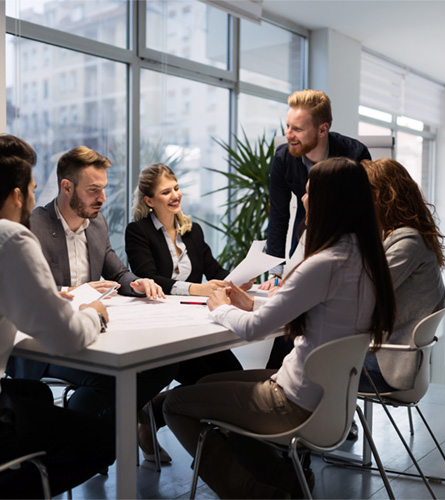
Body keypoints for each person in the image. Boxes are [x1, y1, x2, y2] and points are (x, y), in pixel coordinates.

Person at [162, 157, 396, 499]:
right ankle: (285, 482)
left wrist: (222, 309)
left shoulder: (322, 264)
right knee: (209, 384)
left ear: (327, 202)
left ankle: (254, 494)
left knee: (176, 404)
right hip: (327, 401)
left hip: (291, 402)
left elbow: (255, 330)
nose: (302, 199)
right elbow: (315, 310)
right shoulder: (366, 260)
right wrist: (252, 303)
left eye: (308, 193)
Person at [6, 147, 177, 463]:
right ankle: (85, 437)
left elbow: (118, 271)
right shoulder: (33, 225)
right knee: (110, 378)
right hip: (44, 342)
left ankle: (88, 427)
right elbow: (30, 292)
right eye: (93, 190)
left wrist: (136, 284)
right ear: (67, 187)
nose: (102, 198)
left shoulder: (96, 226)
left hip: (92, 330)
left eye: (104, 189)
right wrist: (76, 290)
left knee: (164, 362)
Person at [0, 134, 115, 498]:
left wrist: (44, 298)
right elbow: (65, 338)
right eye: (32, 189)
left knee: (35, 395)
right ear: (18, 195)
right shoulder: (13, 238)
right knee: (104, 442)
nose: (34, 199)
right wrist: (94, 315)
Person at [263, 89, 372, 372]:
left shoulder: (355, 154)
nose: (289, 135)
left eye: (297, 128)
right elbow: (278, 218)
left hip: (344, 251)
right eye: (287, 126)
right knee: (286, 336)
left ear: (322, 129)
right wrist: (276, 273)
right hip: (305, 240)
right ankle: (280, 387)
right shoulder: (283, 158)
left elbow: (367, 215)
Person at [125, 164, 244, 412]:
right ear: (149, 200)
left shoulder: (193, 231)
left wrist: (239, 279)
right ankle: (155, 418)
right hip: (163, 330)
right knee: (207, 382)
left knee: (234, 376)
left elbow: (215, 271)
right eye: (166, 192)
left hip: (196, 325)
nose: (175, 195)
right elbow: (150, 277)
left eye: (177, 188)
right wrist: (195, 289)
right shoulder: (138, 232)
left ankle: (153, 414)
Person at [359, 158, 445, 392]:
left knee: (314, 365)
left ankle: (340, 429)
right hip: (395, 356)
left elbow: (364, 292)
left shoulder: (407, 241)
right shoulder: (409, 236)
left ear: (381, 196)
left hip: (391, 364)